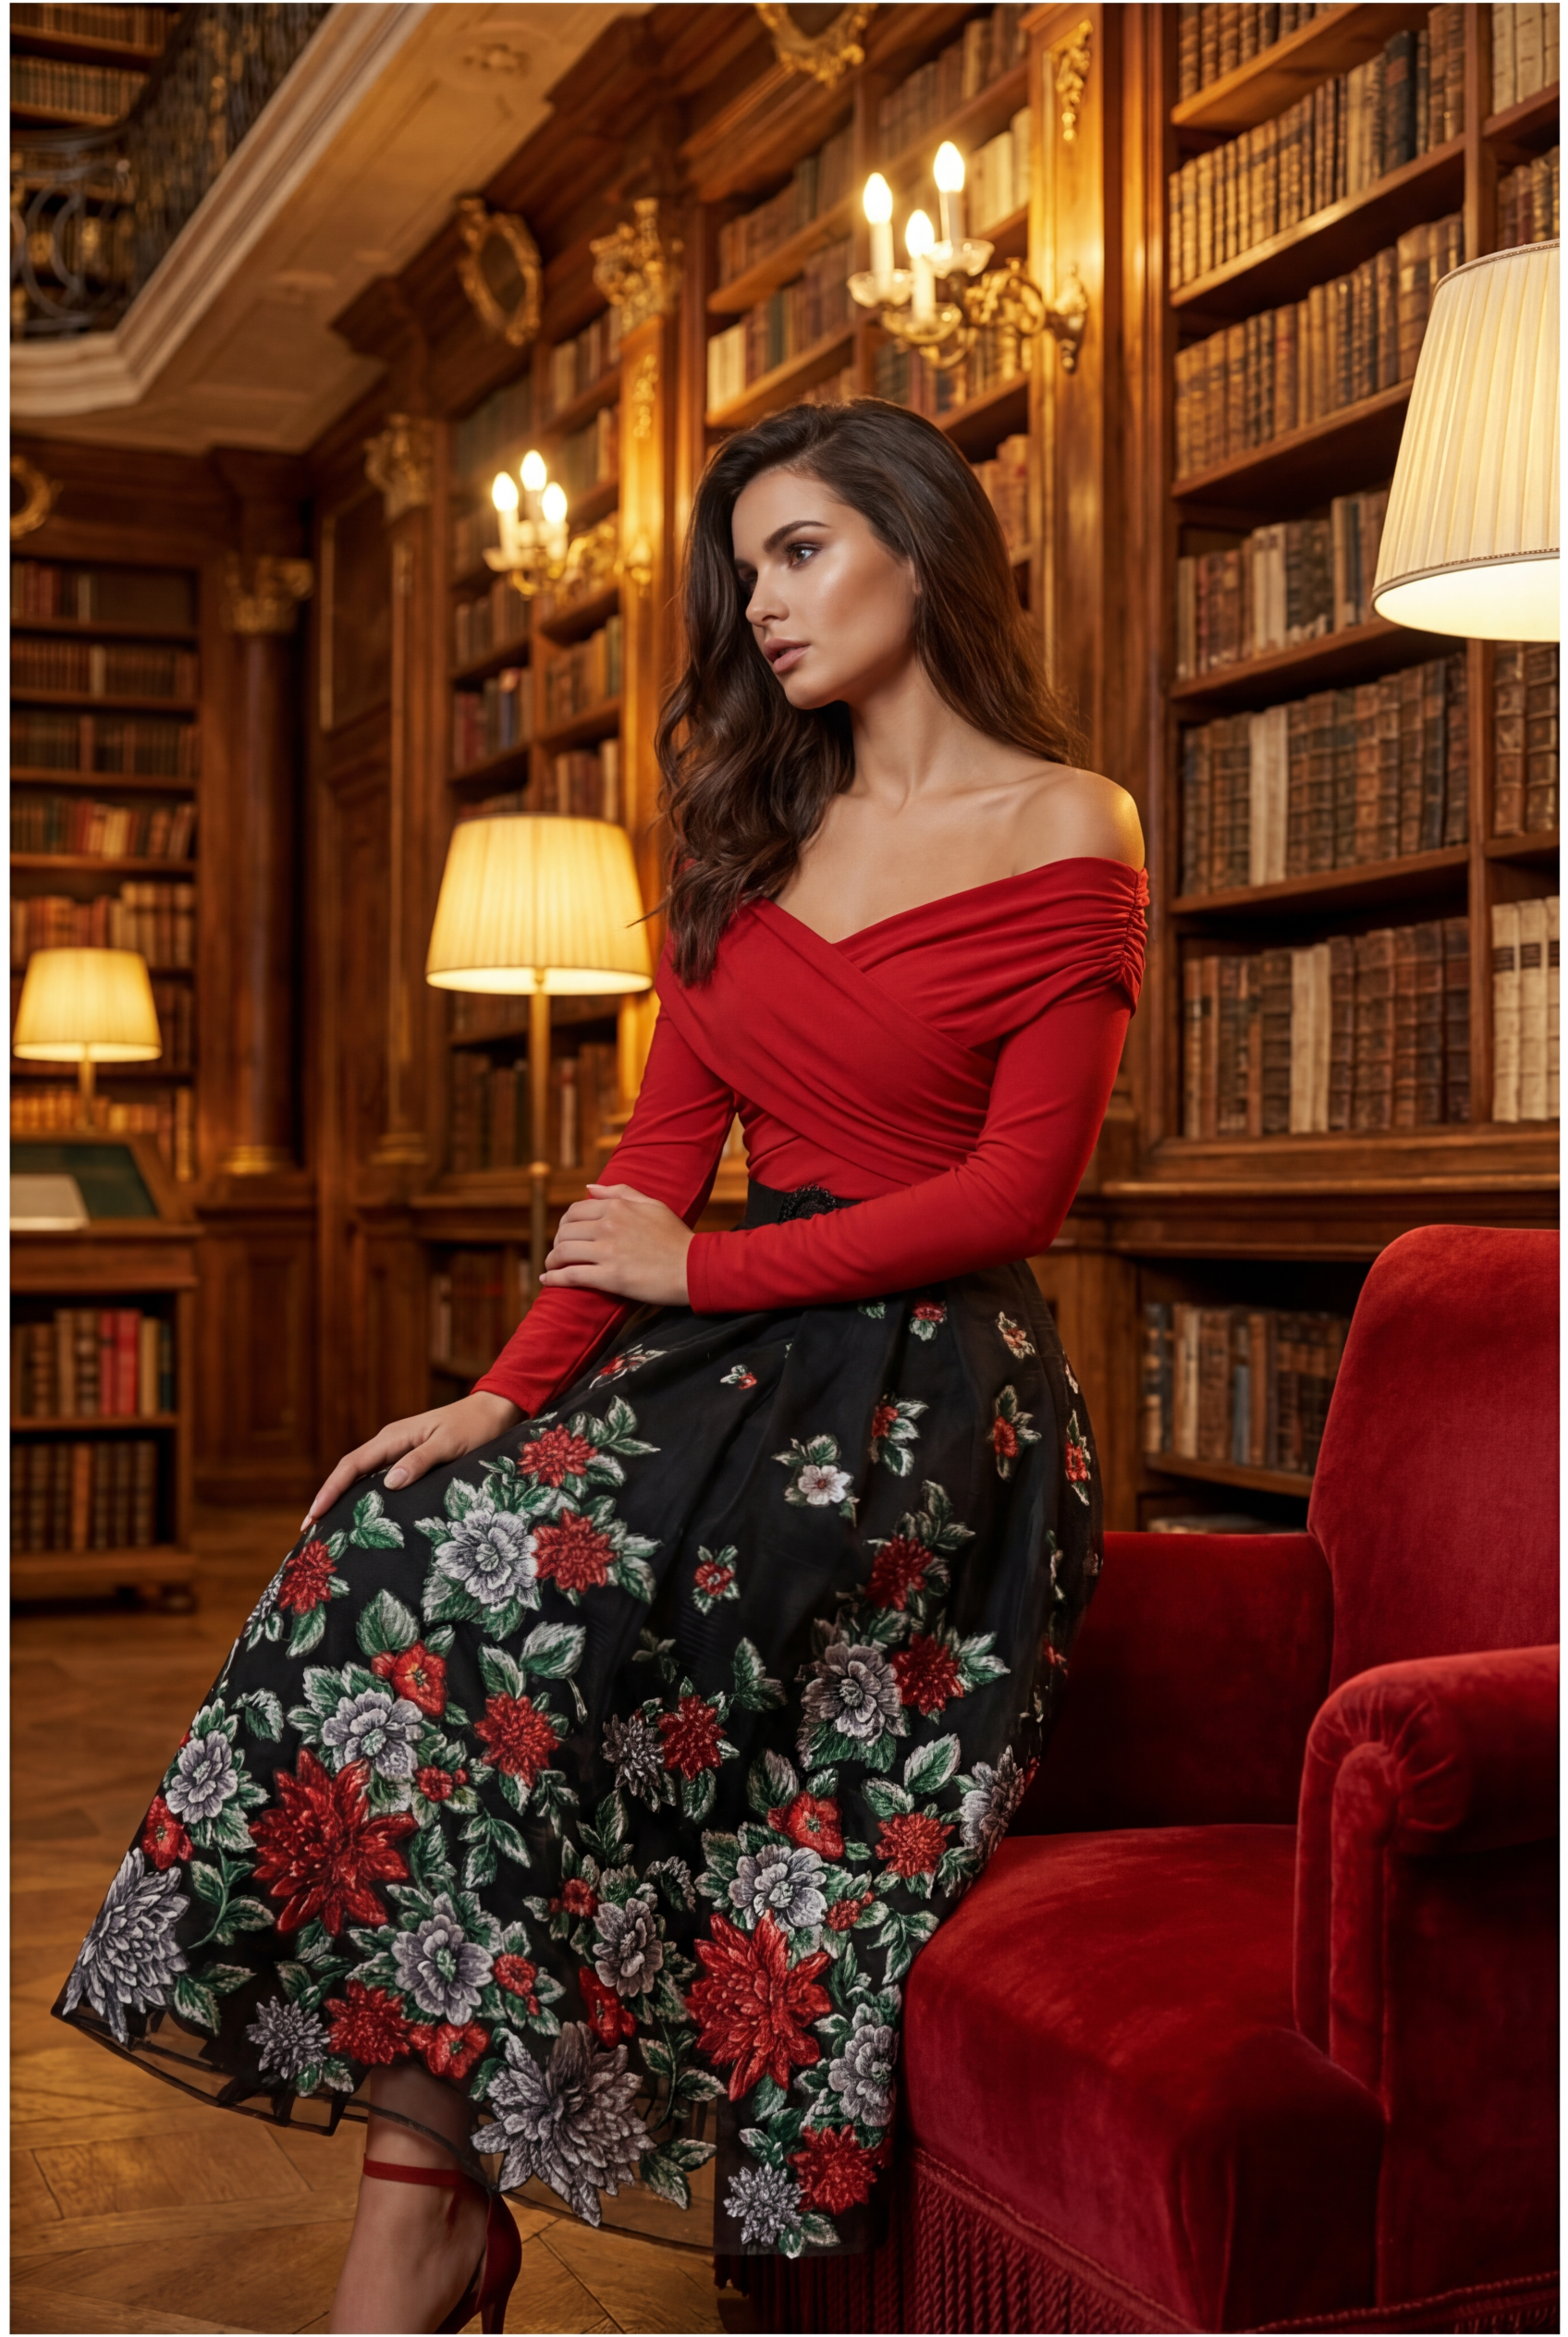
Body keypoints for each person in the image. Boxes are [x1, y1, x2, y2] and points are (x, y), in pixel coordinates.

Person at [56, 398, 1146, 2333]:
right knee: (381, 1569)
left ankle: (422, 2232)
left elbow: (1015, 1192)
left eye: (798, 551)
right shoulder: (747, 828)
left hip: (919, 1418)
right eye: (745, 575)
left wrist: (703, 1264)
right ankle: (422, 2200)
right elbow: (645, 1163)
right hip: (710, 1362)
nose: (765, 606)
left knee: (549, 1673)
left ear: (918, 541)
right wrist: (497, 1393)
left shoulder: (1066, 819)